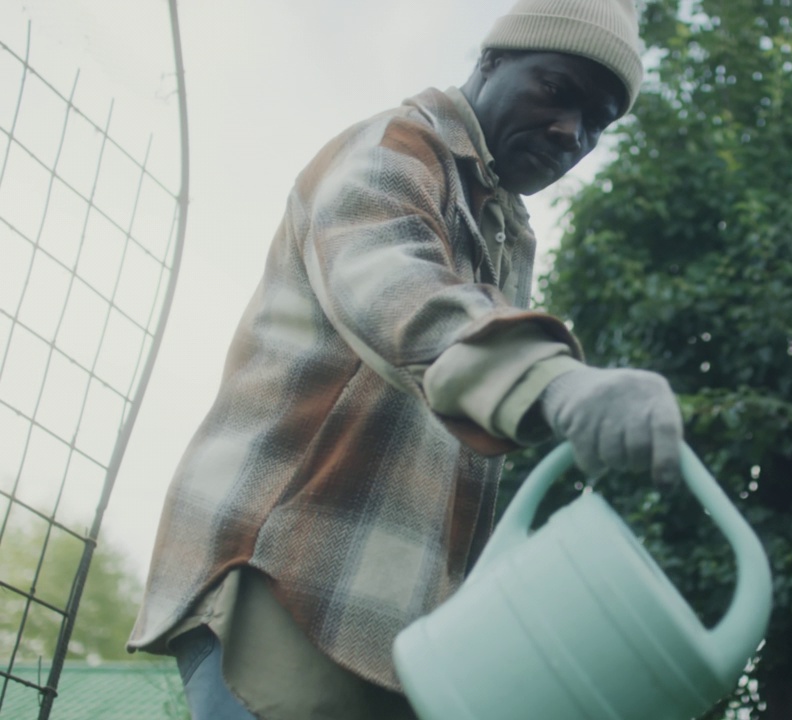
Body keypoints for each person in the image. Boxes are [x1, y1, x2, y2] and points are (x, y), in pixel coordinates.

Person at [128, 1, 681, 717]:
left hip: (393, 618)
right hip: (285, 571)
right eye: (557, 91)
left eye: (598, 122)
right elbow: (400, 292)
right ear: (491, 61)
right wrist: (558, 383)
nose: (572, 132)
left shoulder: (507, 230)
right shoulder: (392, 150)